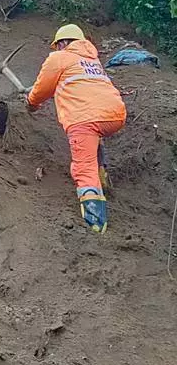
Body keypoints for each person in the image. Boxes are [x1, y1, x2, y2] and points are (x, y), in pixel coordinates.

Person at [27, 24, 127, 233]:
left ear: (63, 43)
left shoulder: (59, 58)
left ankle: (96, 222)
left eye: (57, 45)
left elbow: (42, 89)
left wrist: (31, 103)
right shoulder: (92, 60)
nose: (57, 49)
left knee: (84, 167)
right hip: (115, 115)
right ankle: (102, 173)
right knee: (95, 137)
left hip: (84, 119)